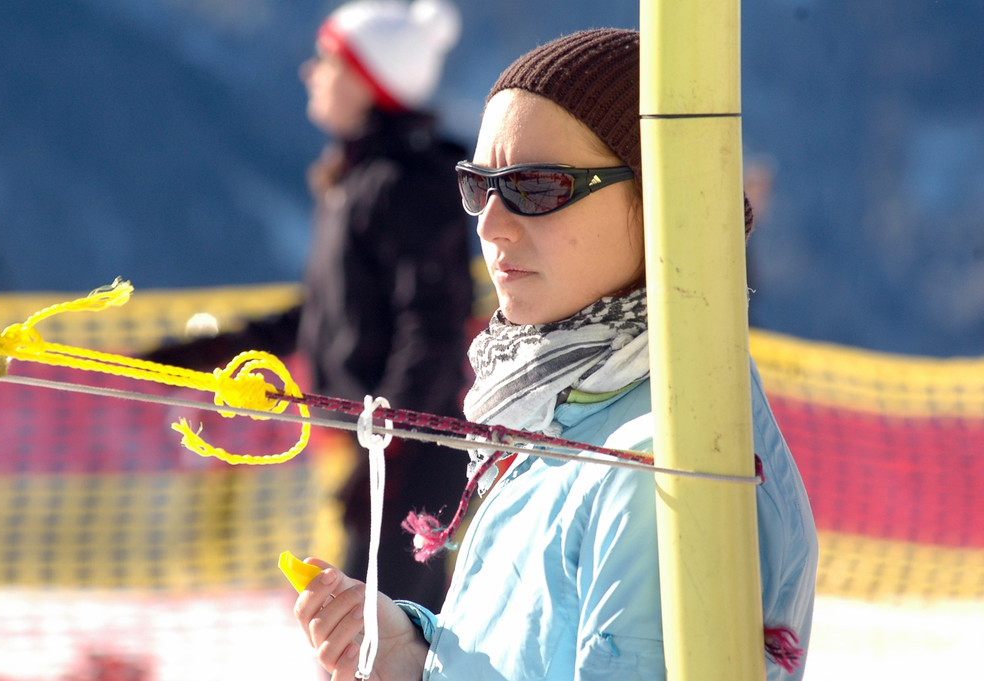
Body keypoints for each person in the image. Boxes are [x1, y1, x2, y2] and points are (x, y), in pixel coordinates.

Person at [292, 27, 817, 681]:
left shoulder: (658, 466)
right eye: (478, 187)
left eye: (536, 187)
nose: (489, 224)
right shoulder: (571, 408)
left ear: (662, 202)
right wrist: (417, 656)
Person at [142, 0, 473, 615]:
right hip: (382, 450)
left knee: (386, 636)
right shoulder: (360, 178)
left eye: (327, 59)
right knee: (366, 631)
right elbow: (326, 311)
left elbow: (431, 335)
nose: (309, 71)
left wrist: (387, 452)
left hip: (410, 457)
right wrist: (203, 354)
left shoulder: (405, 183)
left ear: (368, 80)